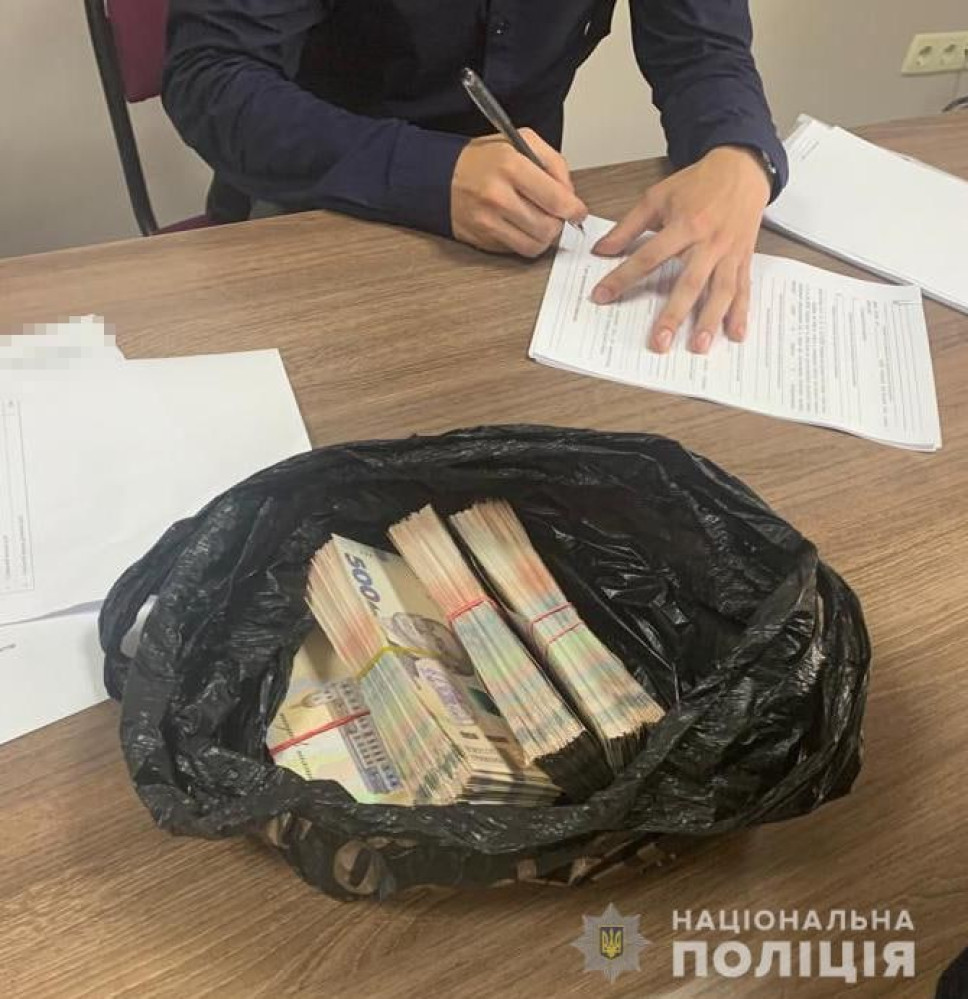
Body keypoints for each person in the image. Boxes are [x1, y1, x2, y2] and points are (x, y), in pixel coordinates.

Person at [163, 1, 787, 355]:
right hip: (323, 213)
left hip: (524, 234)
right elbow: (211, 77)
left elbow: (704, 49)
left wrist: (737, 154)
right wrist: (432, 173)